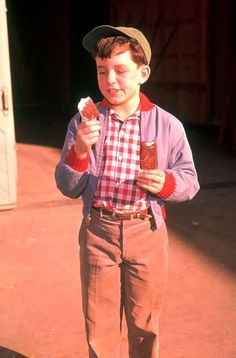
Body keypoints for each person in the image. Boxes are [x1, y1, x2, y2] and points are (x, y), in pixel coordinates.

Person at [55, 24, 200, 358]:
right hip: (98, 232)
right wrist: (79, 152)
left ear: (143, 73)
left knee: (144, 323)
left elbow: (189, 180)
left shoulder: (166, 125)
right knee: (99, 323)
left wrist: (165, 183)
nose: (111, 80)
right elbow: (67, 186)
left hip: (145, 232)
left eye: (121, 70)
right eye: (102, 71)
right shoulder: (83, 123)